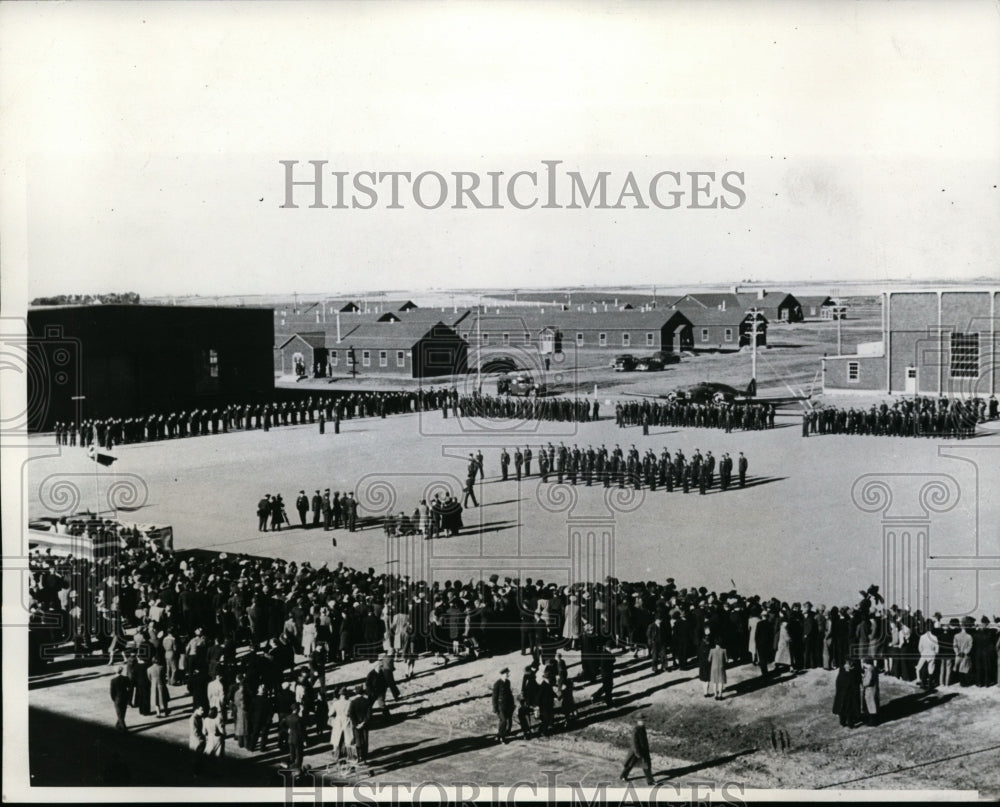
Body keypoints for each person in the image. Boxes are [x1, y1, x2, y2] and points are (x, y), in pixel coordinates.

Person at [619, 717, 655, 785]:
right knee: (630, 764)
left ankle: (650, 781)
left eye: (644, 720)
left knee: (646, 765)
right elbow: (633, 742)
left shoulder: (643, 728)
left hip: (643, 750)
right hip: (635, 751)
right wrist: (637, 753)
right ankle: (623, 776)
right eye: (641, 720)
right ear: (638, 721)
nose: (643, 722)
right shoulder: (636, 730)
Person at [328, 688, 357, 766]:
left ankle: (337, 756)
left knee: (338, 740)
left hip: (338, 721)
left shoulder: (335, 703)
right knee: (348, 740)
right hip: (347, 721)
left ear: (340, 695)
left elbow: (330, 713)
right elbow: (350, 713)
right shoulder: (349, 703)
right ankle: (350, 757)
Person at [832, 659, 862, 728]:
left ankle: (843, 722)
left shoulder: (842, 671)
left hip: (842, 694)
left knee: (842, 709)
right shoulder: (851, 673)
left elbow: (838, 682)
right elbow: (854, 682)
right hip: (848, 695)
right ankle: (850, 724)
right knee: (849, 710)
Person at [492, 667, 515, 744]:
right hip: (500, 706)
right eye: (507, 673)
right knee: (504, 721)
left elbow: (509, 694)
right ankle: (502, 737)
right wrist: (495, 707)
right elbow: (494, 696)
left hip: (507, 705)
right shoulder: (497, 684)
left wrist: (512, 703)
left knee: (503, 721)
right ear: (503, 674)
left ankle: (498, 735)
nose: (508, 674)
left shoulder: (508, 682)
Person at [281, 704, 305, 770]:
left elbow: (282, 725)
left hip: (290, 738)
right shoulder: (299, 719)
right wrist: (304, 740)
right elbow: (301, 731)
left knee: (292, 754)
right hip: (297, 739)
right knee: (299, 755)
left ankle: (288, 765)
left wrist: (287, 730)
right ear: (297, 710)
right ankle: (297, 768)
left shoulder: (288, 717)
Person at [109, 665, 133, 732]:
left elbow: (112, 692)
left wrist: (114, 699)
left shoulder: (113, 680)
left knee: (119, 713)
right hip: (125, 697)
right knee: (122, 712)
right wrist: (128, 695)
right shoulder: (125, 678)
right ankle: (118, 724)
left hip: (117, 698)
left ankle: (124, 728)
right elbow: (129, 687)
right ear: (121, 670)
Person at [861, 657, 880, 726]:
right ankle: (874, 720)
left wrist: (862, 682)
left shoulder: (869, 671)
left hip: (870, 691)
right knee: (874, 706)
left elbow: (867, 682)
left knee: (871, 706)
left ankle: (873, 722)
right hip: (874, 690)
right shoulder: (874, 668)